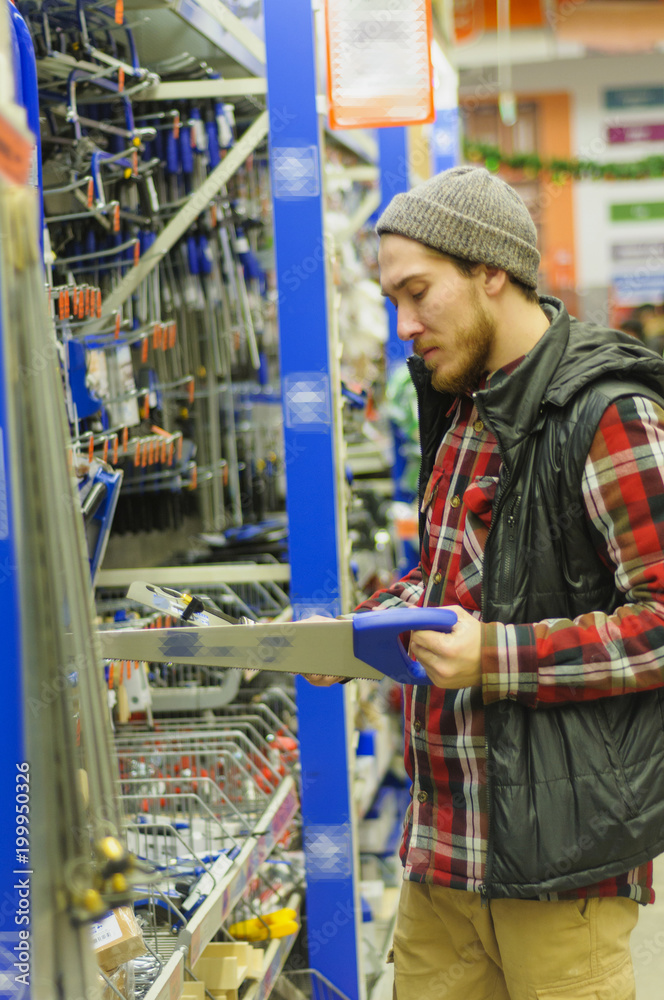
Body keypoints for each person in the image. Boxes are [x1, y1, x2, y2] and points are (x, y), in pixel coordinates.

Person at [308, 165, 664, 1000]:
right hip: (442, 857)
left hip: (558, 869)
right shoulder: (463, 408)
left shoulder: (607, 414)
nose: (402, 324)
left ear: (490, 272)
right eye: (391, 298)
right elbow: (448, 583)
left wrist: (497, 658)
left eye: (418, 292)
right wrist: (356, 633)